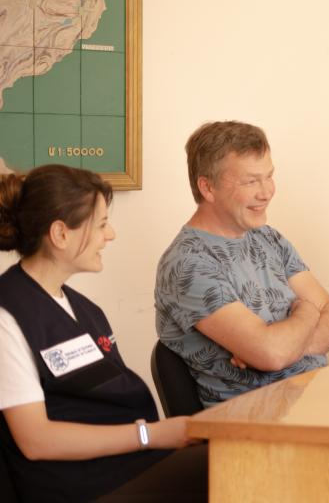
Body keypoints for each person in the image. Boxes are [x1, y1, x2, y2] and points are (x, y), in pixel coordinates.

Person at [0, 165, 205, 502]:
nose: (110, 236)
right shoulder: (7, 315)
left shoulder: (85, 311)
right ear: (60, 234)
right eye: (102, 225)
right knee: (222, 469)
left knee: (232, 456)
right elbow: (36, 440)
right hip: (80, 486)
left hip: (124, 465)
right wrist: (149, 435)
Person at [155, 121, 329, 407]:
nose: (266, 192)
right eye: (250, 181)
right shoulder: (188, 263)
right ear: (207, 187)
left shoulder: (268, 238)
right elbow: (272, 354)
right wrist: (307, 311)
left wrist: (284, 346)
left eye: (269, 176)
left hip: (313, 402)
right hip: (254, 424)